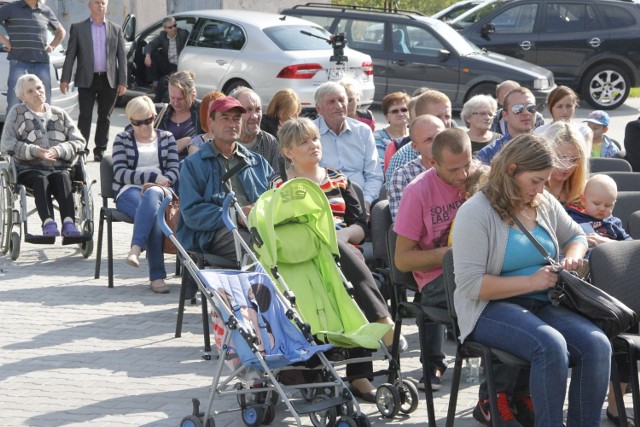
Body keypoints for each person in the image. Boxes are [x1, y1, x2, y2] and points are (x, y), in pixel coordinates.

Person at [452, 133, 610, 427]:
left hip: (542, 300)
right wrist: (531, 282)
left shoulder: (542, 201)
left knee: (597, 344)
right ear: (511, 170)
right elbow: (471, 285)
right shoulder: (475, 212)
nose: (541, 188)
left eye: (544, 181)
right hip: (488, 307)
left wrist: (573, 256)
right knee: (549, 345)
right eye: (535, 180)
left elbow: (576, 235)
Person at [272, 117, 405, 402]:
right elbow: (282, 229)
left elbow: (360, 224)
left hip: (344, 251)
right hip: (303, 260)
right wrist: (329, 240)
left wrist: (340, 238)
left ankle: (359, 376)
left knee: (343, 261)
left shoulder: (338, 179)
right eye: (303, 142)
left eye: (315, 139)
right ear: (288, 152)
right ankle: (383, 323)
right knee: (335, 252)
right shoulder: (281, 188)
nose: (313, 146)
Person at [394, 128, 472, 390]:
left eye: (467, 166)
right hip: (436, 277)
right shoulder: (417, 192)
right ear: (432, 163)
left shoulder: (477, 178)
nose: (462, 176)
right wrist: (448, 256)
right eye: (453, 170)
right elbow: (402, 261)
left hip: (474, 269)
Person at [177, 96, 273, 262]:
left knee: (296, 243)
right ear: (211, 122)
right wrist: (236, 214)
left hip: (259, 227)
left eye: (236, 119)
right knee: (259, 249)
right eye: (225, 118)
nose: (232, 124)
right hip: (213, 233)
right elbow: (191, 213)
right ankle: (256, 288)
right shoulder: (193, 164)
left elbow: (275, 195)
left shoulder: (256, 161)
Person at [0, 74, 84, 237]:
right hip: (29, 168)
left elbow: (79, 141)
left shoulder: (59, 114)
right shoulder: (17, 113)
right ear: (21, 96)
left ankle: (69, 223)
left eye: (39, 88)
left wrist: (58, 150)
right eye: (30, 91)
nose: (37, 93)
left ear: (44, 89)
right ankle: (48, 224)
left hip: (61, 167)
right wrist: (35, 151)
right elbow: (6, 144)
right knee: (40, 179)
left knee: (62, 177)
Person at [112, 96, 179, 294]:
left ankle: (135, 248)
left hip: (161, 191)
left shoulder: (167, 137)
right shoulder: (122, 139)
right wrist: (151, 176)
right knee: (155, 218)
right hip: (128, 191)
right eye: (137, 123)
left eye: (148, 121)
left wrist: (160, 181)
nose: (143, 127)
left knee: (152, 196)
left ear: (154, 116)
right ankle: (157, 277)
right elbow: (119, 172)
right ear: (130, 121)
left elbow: (175, 170)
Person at [60, 0, 127, 162]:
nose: (100, 6)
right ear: (89, 5)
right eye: (96, 2)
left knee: (105, 116)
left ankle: (100, 150)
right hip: (86, 79)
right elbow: (70, 56)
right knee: (85, 116)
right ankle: (82, 148)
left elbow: (122, 58)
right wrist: (65, 79)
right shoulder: (78, 28)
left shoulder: (116, 29)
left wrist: (123, 81)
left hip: (108, 79)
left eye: (103, 3)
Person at [314, 82, 382, 213]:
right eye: (331, 102)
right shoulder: (310, 133)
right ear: (319, 109)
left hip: (361, 200)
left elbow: (374, 175)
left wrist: (366, 202)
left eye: (341, 100)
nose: (338, 106)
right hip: (325, 202)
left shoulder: (363, 131)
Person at [0, 0, 65, 111]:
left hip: (41, 63)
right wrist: (5, 41)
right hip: (18, 61)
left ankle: (42, 127)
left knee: (43, 102)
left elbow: (61, 31)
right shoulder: (11, 8)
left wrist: (52, 46)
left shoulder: (45, 10)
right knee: (14, 102)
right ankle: (12, 128)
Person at [385, 89, 454, 184]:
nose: (444, 122)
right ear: (421, 118)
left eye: (447, 117)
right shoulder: (404, 159)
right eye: (437, 117)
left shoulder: (456, 147)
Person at [388, 115, 445, 220]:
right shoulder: (403, 176)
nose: (437, 143)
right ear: (415, 147)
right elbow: (403, 223)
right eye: (429, 140)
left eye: (440, 137)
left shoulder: (461, 168)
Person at [476, 87, 537, 165]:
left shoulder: (545, 149)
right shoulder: (488, 154)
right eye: (517, 109)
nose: (526, 112)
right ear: (505, 115)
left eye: (531, 107)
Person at [566, 174, 631, 246]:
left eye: (608, 205)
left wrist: (608, 242)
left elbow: (630, 244)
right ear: (583, 201)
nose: (602, 208)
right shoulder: (572, 220)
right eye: (596, 203)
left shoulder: (613, 223)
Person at [230, 87, 282, 171]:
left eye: (258, 110)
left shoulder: (269, 143)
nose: (254, 116)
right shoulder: (223, 143)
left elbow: (278, 180)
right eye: (248, 110)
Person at [155, 71, 203, 160]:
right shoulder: (160, 112)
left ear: (193, 95)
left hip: (189, 169)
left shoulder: (203, 111)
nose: (175, 103)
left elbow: (216, 137)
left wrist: (190, 140)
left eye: (181, 99)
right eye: (172, 97)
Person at [533, 85, 593, 154]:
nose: (564, 111)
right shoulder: (540, 132)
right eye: (559, 106)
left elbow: (586, 158)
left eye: (569, 106)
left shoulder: (584, 131)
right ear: (550, 107)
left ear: (575, 106)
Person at [142, 17, 189, 101]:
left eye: (175, 25)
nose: (174, 28)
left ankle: (157, 104)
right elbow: (149, 45)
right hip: (167, 64)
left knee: (163, 81)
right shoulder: (163, 36)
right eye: (170, 27)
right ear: (165, 28)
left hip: (177, 67)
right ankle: (154, 84)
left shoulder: (182, 34)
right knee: (152, 54)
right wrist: (147, 56)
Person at [543, 122, 589, 206]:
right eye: (560, 158)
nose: (566, 166)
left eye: (573, 159)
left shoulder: (586, 191)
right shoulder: (532, 191)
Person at [374, 92, 410, 165]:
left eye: (404, 110)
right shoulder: (378, 137)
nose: (400, 114)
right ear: (386, 117)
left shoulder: (415, 134)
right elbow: (381, 165)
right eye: (395, 111)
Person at [186, 90, 224, 155]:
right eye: (213, 110)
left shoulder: (232, 137)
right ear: (205, 114)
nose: (218, 114)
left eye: (221, 109)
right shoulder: (196, 144)